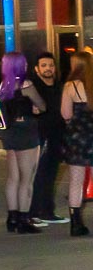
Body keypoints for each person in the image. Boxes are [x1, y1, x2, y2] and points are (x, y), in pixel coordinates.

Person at [0, 52, 47, 234]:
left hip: (9, 132)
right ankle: (24, 219)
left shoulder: (4, 86)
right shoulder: (26, 85)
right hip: (27, 131)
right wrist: (34, 107)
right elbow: (42, 106)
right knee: (27, 178)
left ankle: (12, 217)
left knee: (13, 177)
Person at [29, 52, 65, 224]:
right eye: (43, 65)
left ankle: (47, 211)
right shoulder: (33, 88)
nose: (48, 68)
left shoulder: (60, 87)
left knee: (51, 173)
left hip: (57, 135)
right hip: (38, 136)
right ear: (37, 69)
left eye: (51, 65)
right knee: (38, 173)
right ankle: (33, 211)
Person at [60, 51, 93, 237]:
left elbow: (65, 113)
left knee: (76, 180)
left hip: (77, 135)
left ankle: (76, 224)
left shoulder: (70, 86)